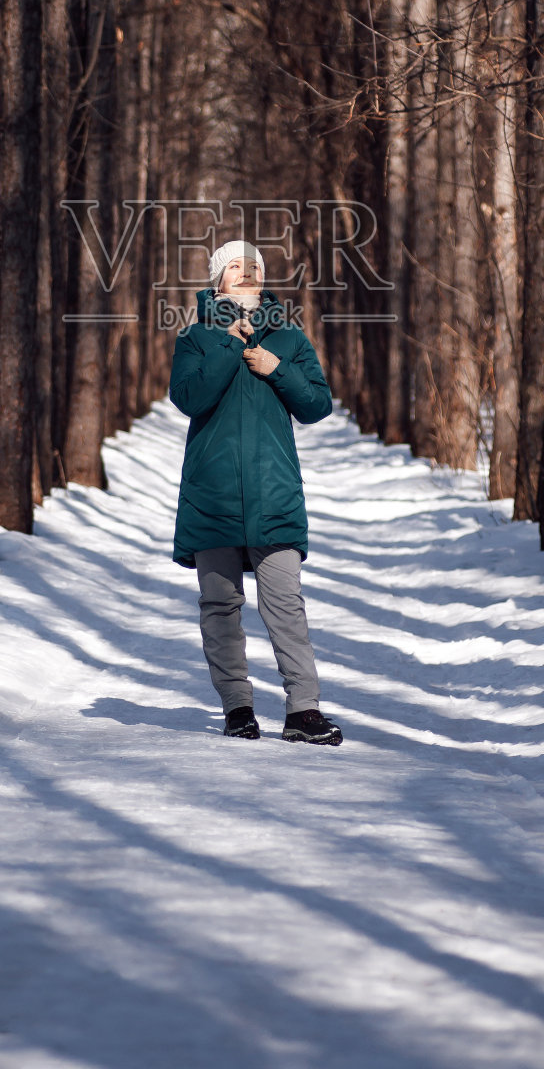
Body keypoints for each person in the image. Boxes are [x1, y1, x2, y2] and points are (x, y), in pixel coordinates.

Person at [168, 239, 343, 745]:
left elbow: (317, 404)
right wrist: (230, 343)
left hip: (274, 491)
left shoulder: (288, 337)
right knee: (220, 607)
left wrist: (275, 367)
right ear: (218, 279)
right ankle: (237, 708)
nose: (247, 272)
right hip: (213, 494)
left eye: (255, 266)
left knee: (285, 604)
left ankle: (303, 711)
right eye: (236, 267)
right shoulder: (196, 338)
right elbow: (189, 397)